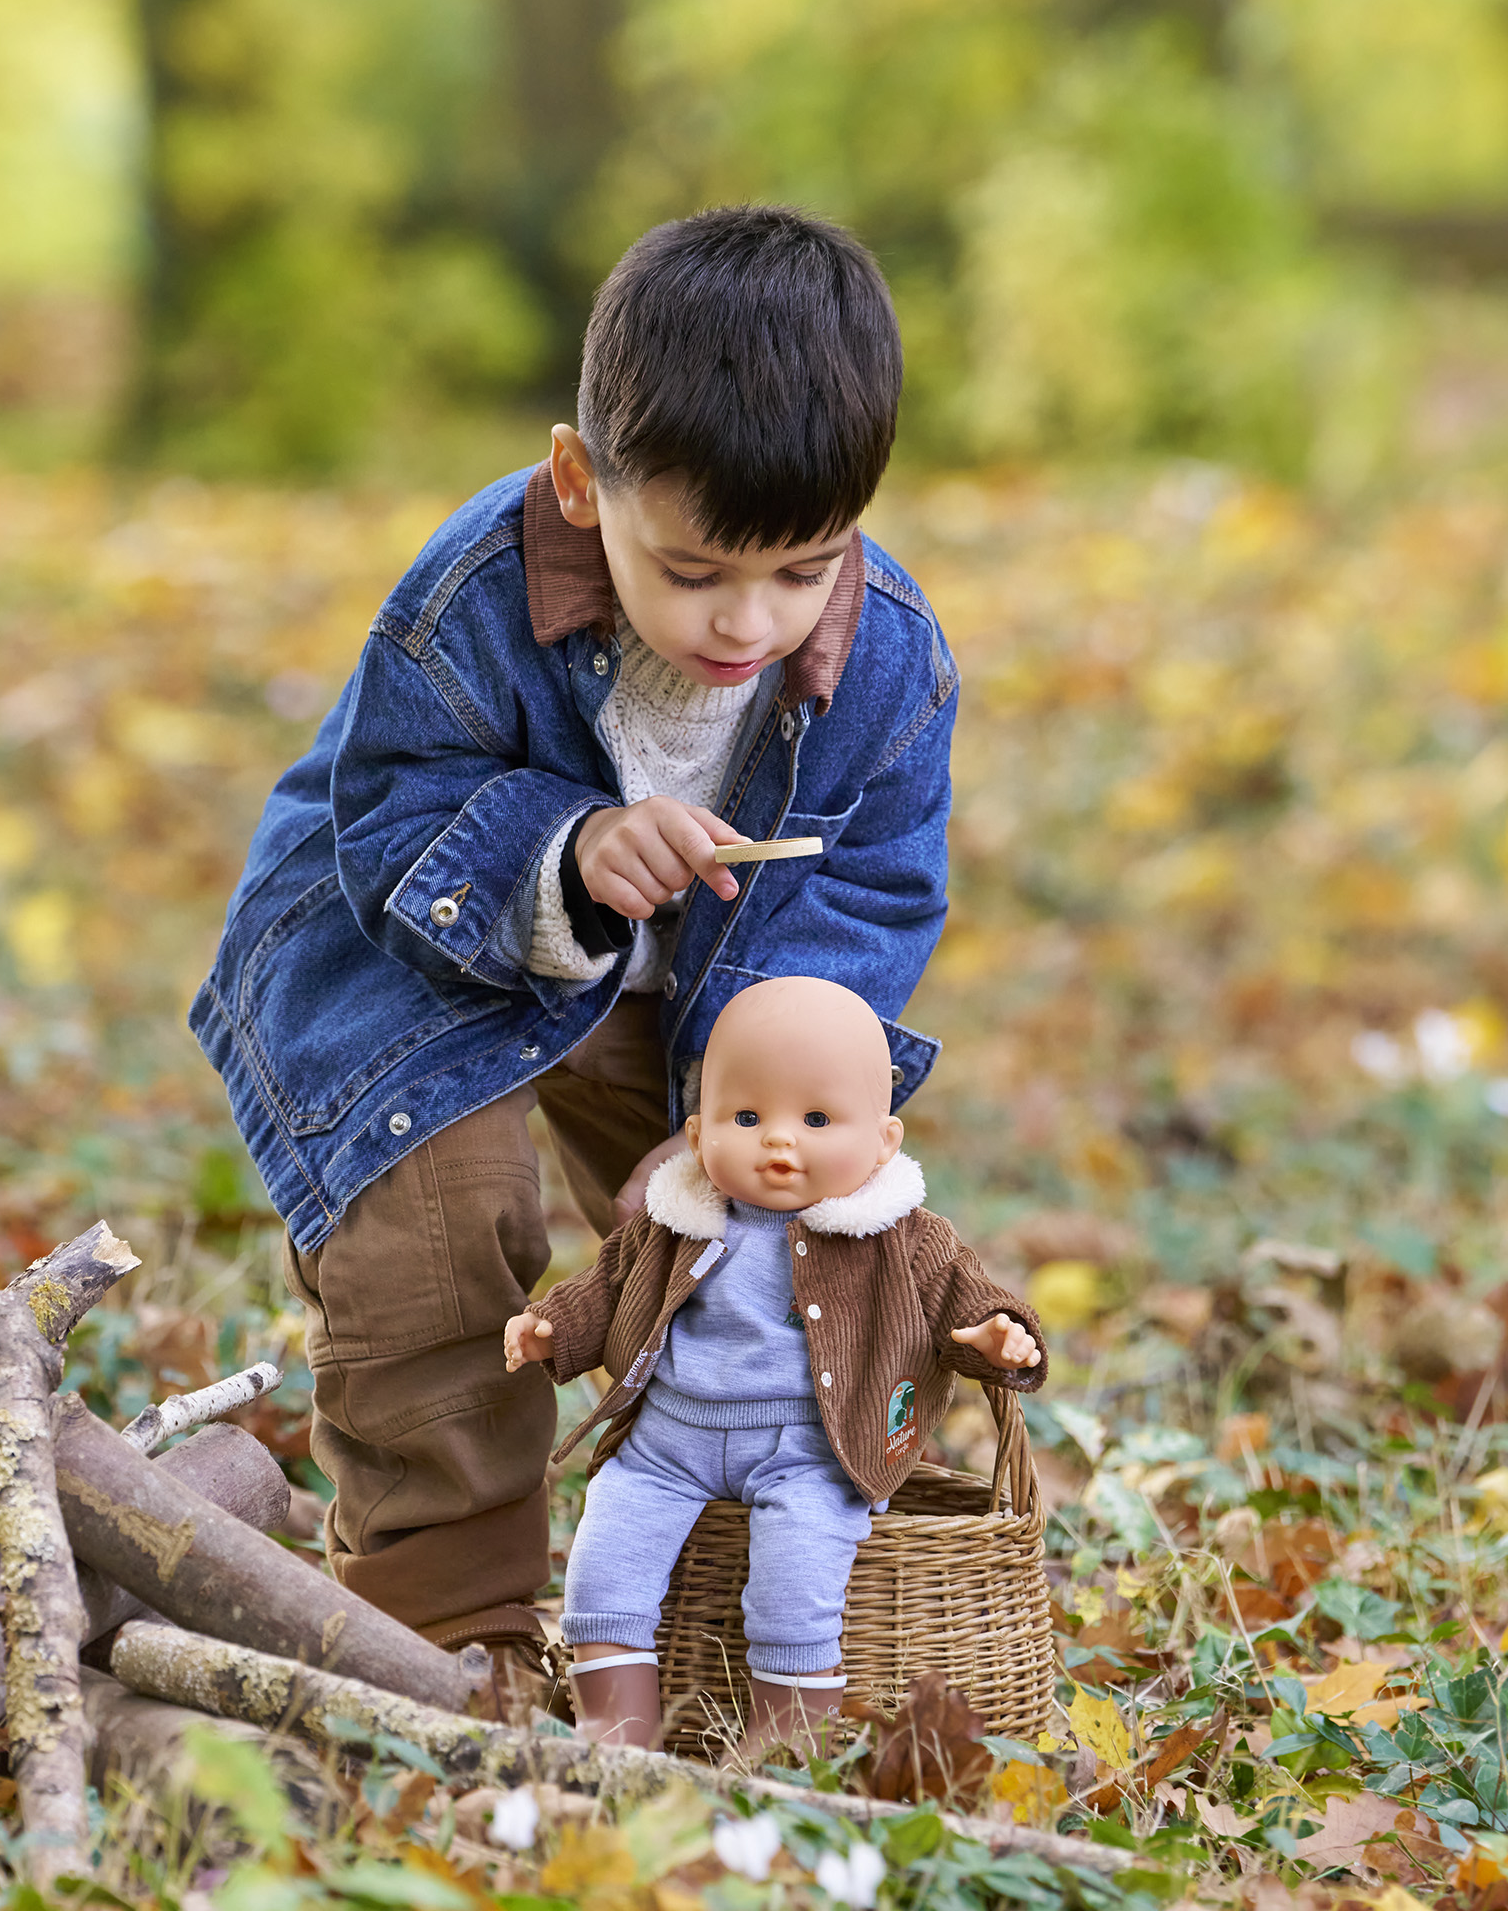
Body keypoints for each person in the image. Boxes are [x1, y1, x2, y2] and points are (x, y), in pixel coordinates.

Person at [190, 203, 959, 1694]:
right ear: (578, 478)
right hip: (417, 966)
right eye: (694, 571)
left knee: (757, 1253)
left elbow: (873, 883)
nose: (749, 618)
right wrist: (569, 850)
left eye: (804, 568)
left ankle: (734, 1597)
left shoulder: (891, 660)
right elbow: (393, 809)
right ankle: (455, 1631)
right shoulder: (470, 602)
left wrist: (791, 1072)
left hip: (699, 1007)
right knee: (438, 1230)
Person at [503, 978, 1046, 1754]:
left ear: (885, 1141)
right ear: (697, 1134)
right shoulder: (678, 1220)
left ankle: (785, 1744)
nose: (779, 1142)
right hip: (667, 1446)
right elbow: (608, 1289)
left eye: (817, 1119)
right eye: (747, 1118)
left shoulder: (901, 1237)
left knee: (795, 1590)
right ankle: (615, 1733)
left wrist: (998, 1336)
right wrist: (552, 1330)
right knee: (603, 1573)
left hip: (811, 1452)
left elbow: (967, 1298)